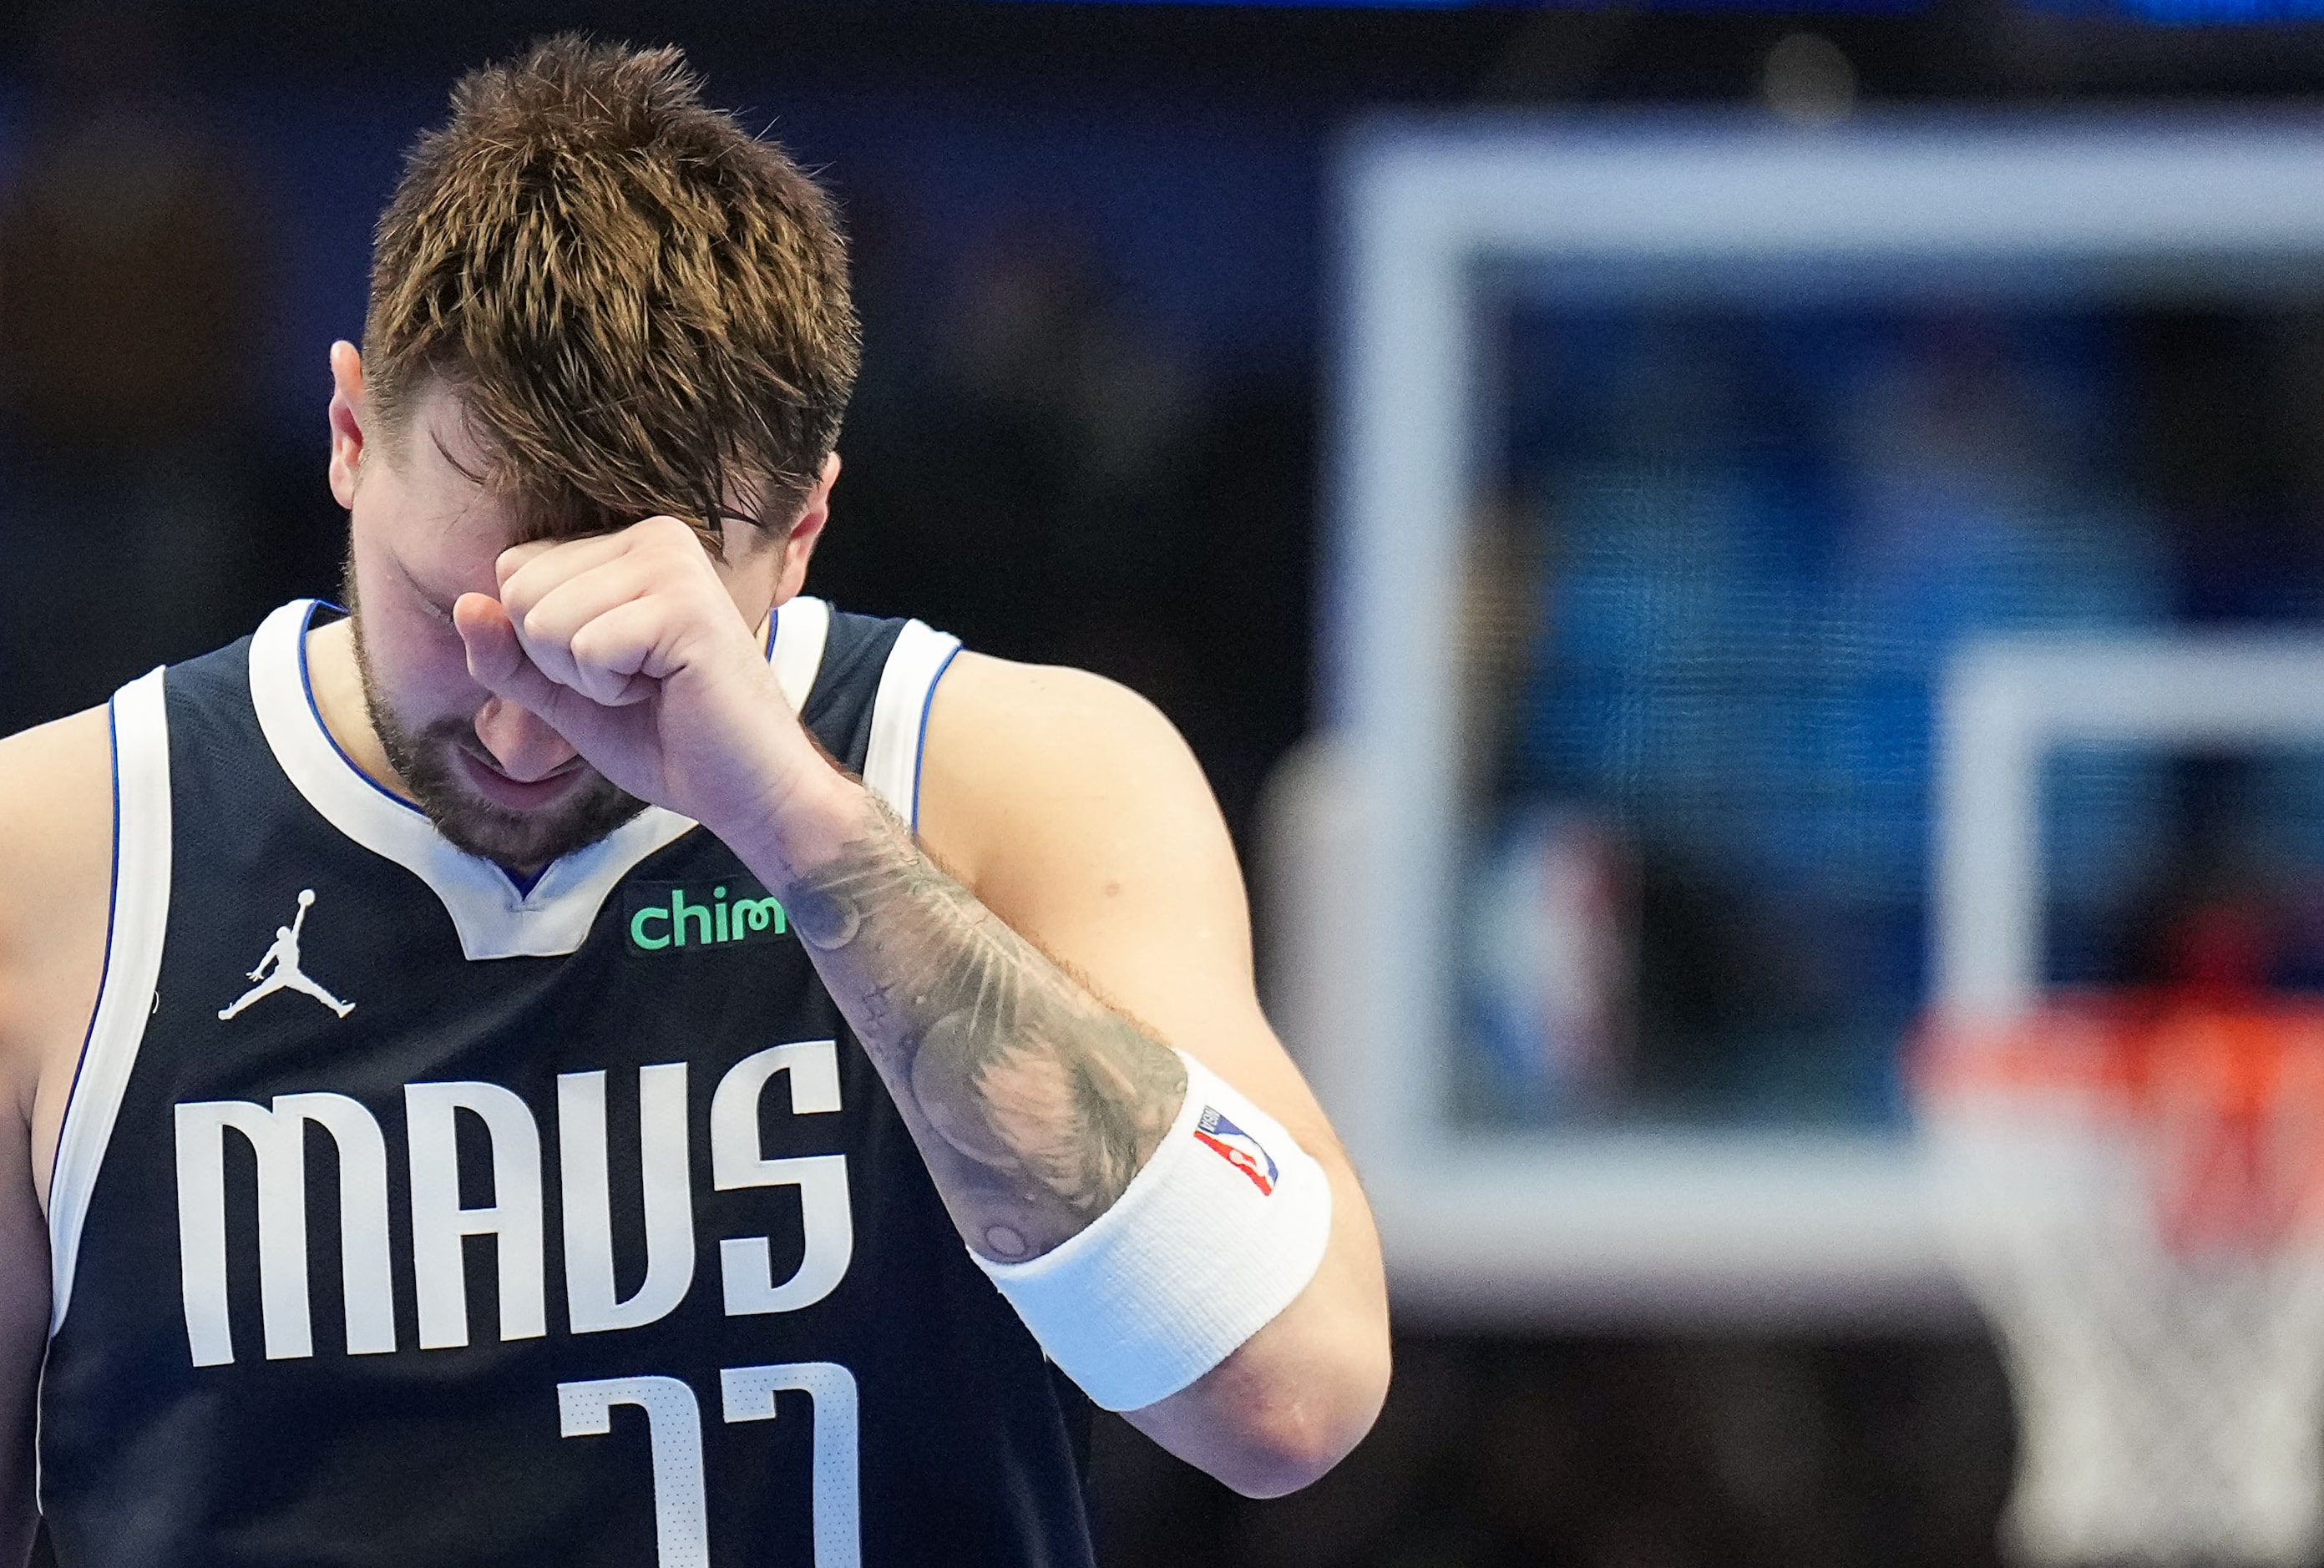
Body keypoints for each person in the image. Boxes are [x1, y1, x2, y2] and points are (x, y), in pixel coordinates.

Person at [0, 38, 1389, 1567]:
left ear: (799, 534)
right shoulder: (68, 847)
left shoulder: (1011, 776)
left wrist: (793, 815)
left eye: (619, 660)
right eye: (450, 611)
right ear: (346, 437)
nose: (527, 730)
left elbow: (1286, 1398)